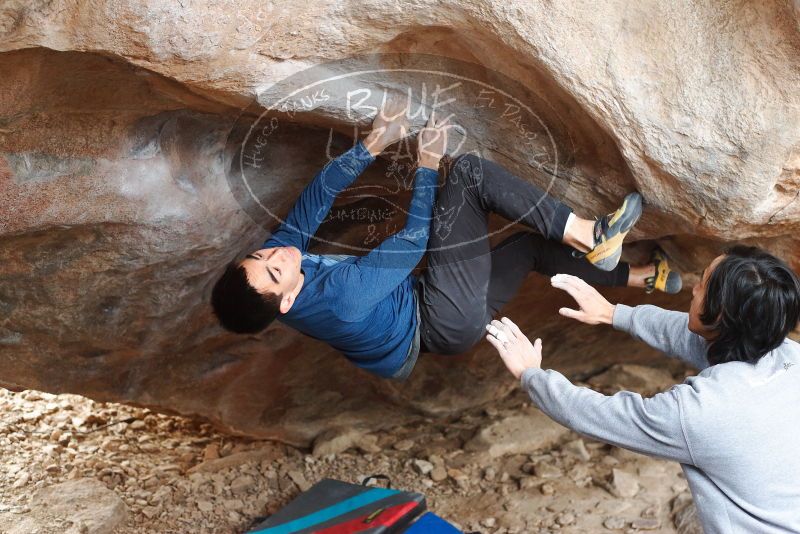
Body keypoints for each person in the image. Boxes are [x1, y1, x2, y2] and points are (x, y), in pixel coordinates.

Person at [212, 98, 681, 379]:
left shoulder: (277, 271)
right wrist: (428, 163)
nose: (277, 251)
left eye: (260, 252)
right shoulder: (339, 300)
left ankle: (643, 276)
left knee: (531, 249)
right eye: (275, 267)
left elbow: (316, 197)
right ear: (287, 301)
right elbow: (414, 241)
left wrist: (376, 141)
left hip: (443, 321)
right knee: (470, 175)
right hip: (438, 319)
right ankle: (587, 233)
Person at [485, 246, 800, 533]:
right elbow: (696, 337)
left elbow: (606, 417)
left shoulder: (702, 412)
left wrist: (532, 375)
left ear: (720, 315)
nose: (694, 288)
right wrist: (614, 313)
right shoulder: (787, 355)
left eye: (703, 284)